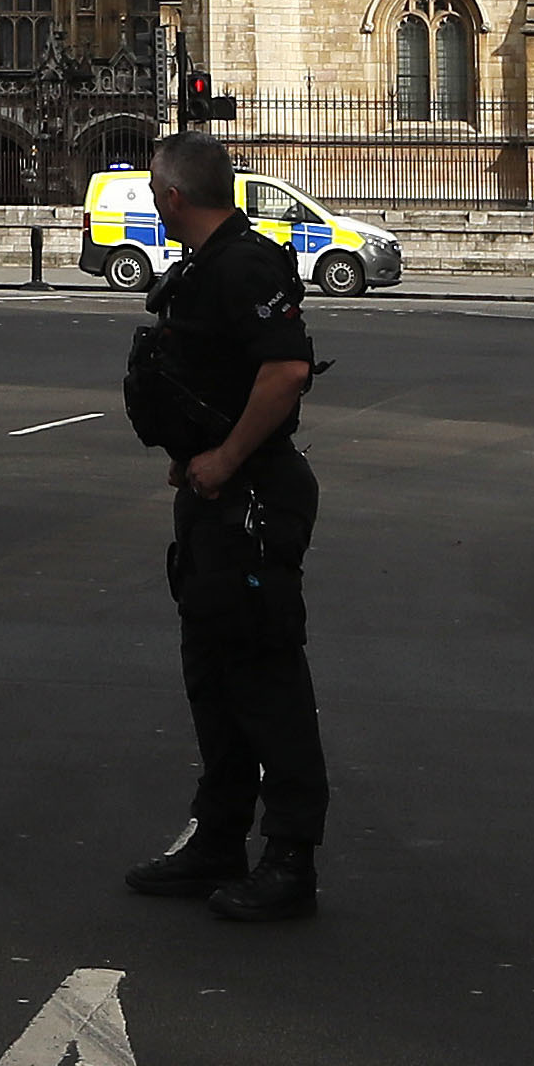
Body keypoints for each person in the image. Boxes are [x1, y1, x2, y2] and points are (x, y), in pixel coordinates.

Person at [123, 131, 325, 922]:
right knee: (213, 676)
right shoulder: (208, 266)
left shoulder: (242, 263)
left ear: (173, 197)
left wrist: (227, 453)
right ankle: (218, 837)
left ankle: (290, 858)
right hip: (217, 491)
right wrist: (195, 453)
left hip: (254, 494)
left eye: (151, 188)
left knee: (265, 676)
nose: (150, 199)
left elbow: (285, 371)